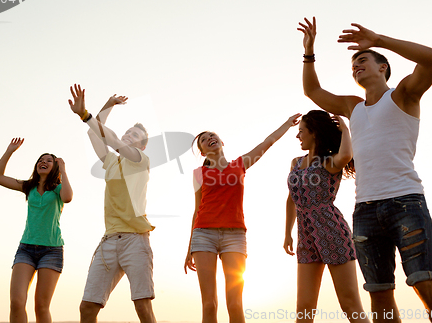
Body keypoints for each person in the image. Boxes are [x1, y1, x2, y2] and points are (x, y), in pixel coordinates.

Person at [298, 17, 432, 322]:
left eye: (363, 60)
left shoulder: (403, 95)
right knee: (379, 294)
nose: (356, 65)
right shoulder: (352, 106)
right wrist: (309, 51)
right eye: (353, 64)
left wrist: (378, 40)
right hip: (365, 211)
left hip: (405, 202)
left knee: (425, 284)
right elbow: (312, 90)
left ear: (383, 67)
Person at [184, 112, 302, 323]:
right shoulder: (198, 174)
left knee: (235, 304)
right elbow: (196, 210)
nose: (209, 137)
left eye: (212, 135)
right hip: (203, 236)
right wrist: (189, 249)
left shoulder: (239, 164)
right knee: (209, 304)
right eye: (203, 139)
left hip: (235, 236)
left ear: (221, 141)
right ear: (202, 152)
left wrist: (286, 124)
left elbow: (268, 143)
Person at [68, 84, 156, 323]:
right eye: (128, 132)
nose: (129, 135)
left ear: (142, 145)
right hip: (109, 240)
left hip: (135, 241)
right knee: (87, 308)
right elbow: (94, 134)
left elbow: (114, 140)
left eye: (135, 135)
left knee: (143, 308)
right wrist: (108, 105)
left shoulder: (140, 160)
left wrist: (86, 115)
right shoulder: (110, 162)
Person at [284, 110, 369, 323]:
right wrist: (287, 233)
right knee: (304, 308)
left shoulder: (329, 161)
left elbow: (346, 156)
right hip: (306, 236)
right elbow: (291, 199)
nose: (298, 136)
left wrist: (345, 129)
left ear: (314, 133)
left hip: (332, 232)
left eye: (301, 131)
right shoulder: (295, 162)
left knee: (350, 305)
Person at [0, 138, 73, 323]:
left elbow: (68, 198)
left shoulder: (58, 189)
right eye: (40, 160)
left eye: (49, 160)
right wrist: (9, 151)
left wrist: (64, 171)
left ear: (56, 167)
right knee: (16, 302)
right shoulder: (29, 187)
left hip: (51, 251)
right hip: (26, 250)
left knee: (41, 306)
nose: (43, 162)